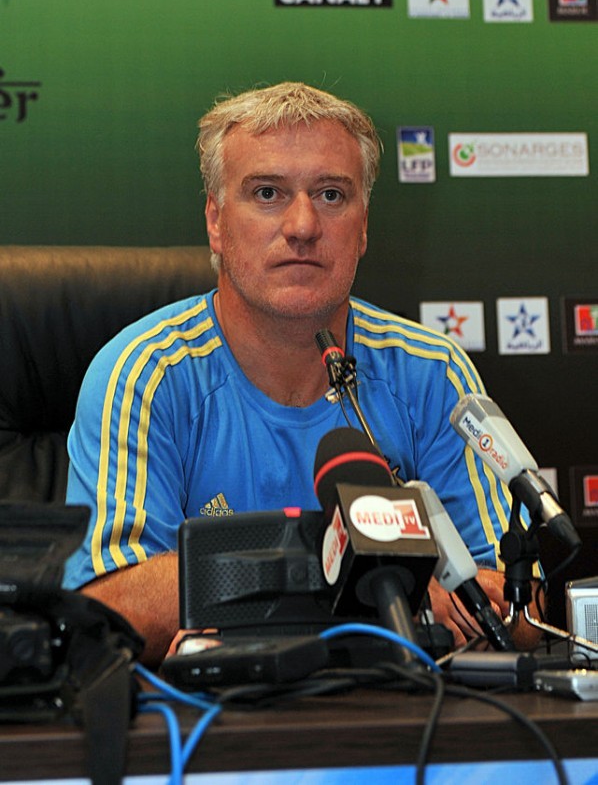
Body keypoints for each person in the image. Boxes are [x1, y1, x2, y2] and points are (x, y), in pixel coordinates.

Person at [64, 82, 531, 667]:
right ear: (215, 221)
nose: (303, 225)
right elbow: (110, 607)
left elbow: (519, 610)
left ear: (364, 226)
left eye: (332, 195)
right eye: (267, 193)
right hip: (215, 719)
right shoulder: (145, 375)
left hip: (405, 711)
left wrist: (242, 593)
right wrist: (364, 580)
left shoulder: (431, 374)